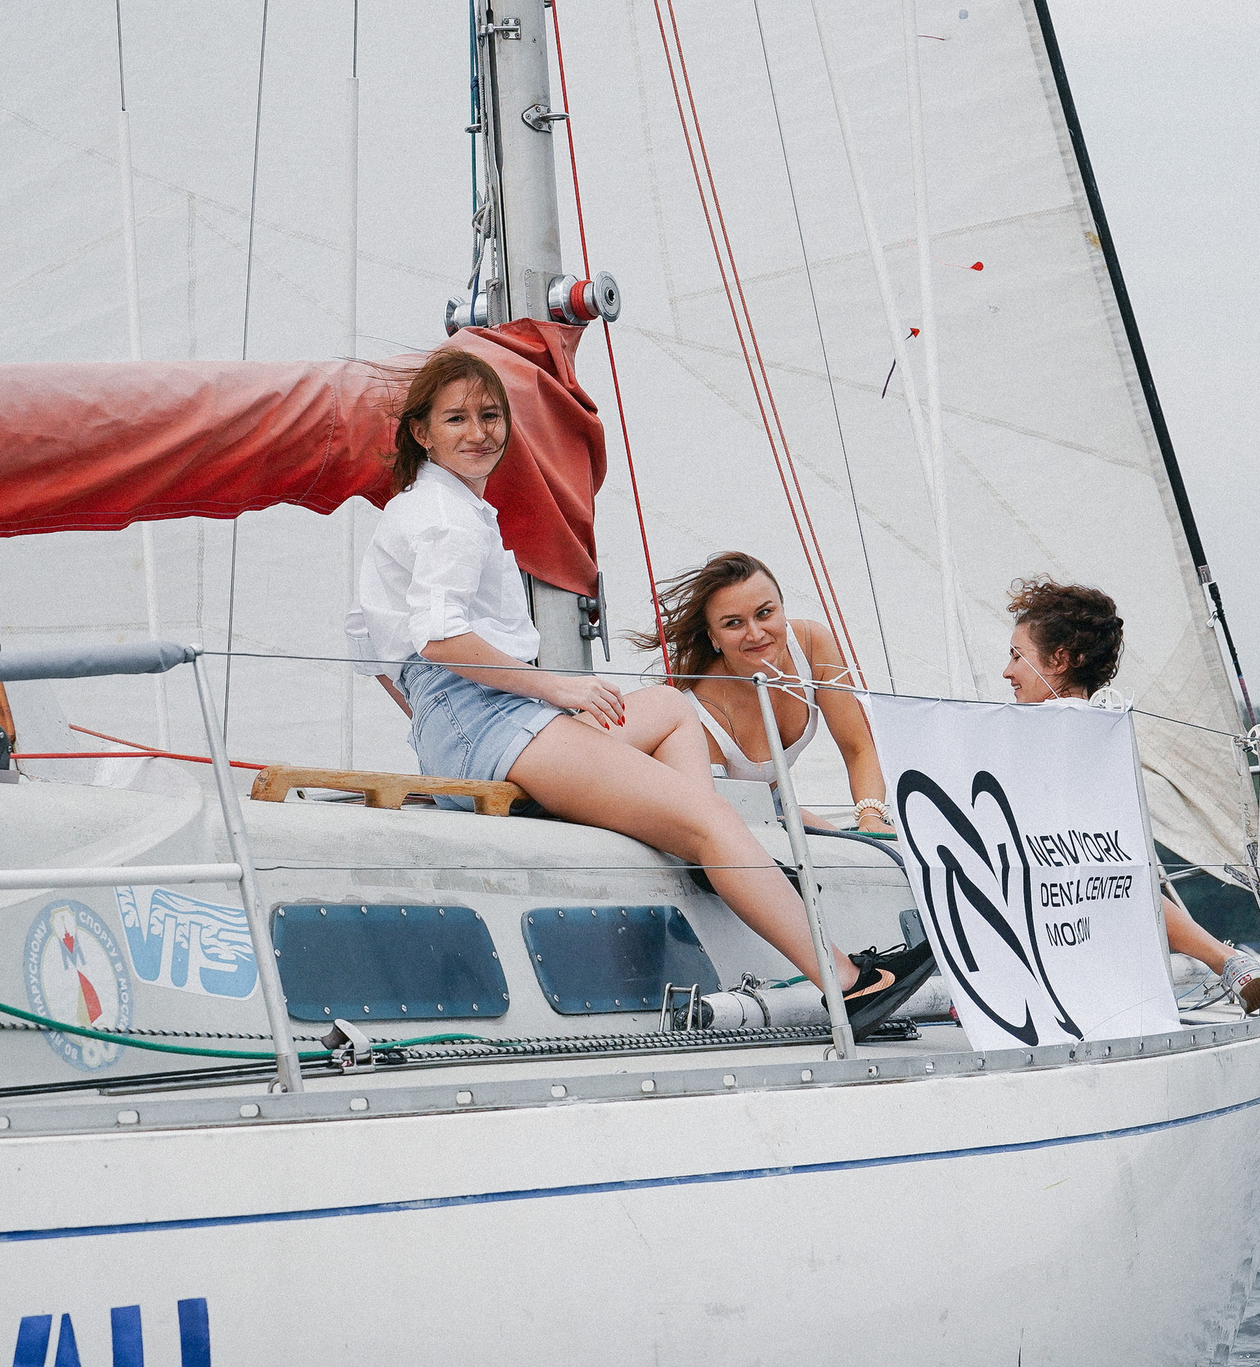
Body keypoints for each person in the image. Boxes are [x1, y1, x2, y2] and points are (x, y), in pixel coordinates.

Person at [347, 350, 930, 1029]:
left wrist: (445, 725)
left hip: (478, 721)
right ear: (422, 432)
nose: (478, 432)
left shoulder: (429, 508)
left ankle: (711, 854)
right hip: (496, 719)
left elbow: (375, 649)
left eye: (490, 415)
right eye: (456, 419)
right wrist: (553, 691)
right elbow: (441, 638)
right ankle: (848, 980)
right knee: (716, 819)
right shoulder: (446, 519)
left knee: (669, 708)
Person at [1001, 576, 1260, 1013]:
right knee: (1126, 881)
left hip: (1053, 898)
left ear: (1060, 660)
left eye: (1017, 656)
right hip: (1095, 896)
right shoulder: (1103, 727)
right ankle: (1227, 958)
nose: (1007, 671)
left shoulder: (1034, 731)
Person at [631, 553, 893, 835]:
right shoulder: (700, 709)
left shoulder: (811, 643)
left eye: (765, 613)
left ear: (782, 608)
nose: (756, 634)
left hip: (777, 807)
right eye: (734, 623)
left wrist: (870, 816)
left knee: (867, 846)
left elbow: (858, 747)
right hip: (722, 814)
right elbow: (715, 817)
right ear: (713, 637)